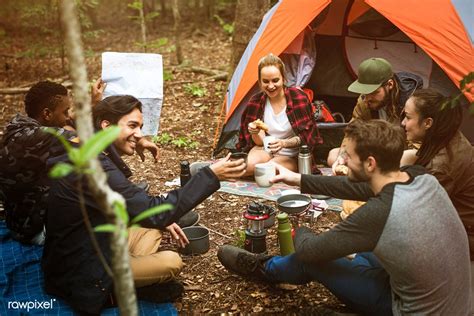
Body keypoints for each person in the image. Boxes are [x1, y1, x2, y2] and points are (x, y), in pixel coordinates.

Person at [218, 119, 471, 315]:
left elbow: (311, 252)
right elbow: (360, 188)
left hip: (412, 309)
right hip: (453, 298)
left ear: (370, 163)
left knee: (312, 259)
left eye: (347, 155)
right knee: (359, 254)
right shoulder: (418, 175)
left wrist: (301, 229)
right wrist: (296, 178)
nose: (342, 160)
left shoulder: (380, 214)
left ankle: (264, 269)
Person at [42, 95, 247, 315]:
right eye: (132, 126)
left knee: (153, 228)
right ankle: (113, 293)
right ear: (106, 126)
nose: (139, 134)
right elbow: (154, 212)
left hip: (87, 245)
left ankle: (131, 276)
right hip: (82, 271)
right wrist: (210, 174)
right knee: (172, 261)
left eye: (140, 127)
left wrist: (134, 140)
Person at [0, 79, 159, 245]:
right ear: (47, 114)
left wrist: (92, 104)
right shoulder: (40, 138)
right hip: (35, 230)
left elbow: (71, 123)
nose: (68, 116)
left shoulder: (22, 127)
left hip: (24, 219)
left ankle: (129, 197)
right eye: (65, 111)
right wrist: (136, 139)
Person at [400, 88, 474, 311]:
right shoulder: (448, 137)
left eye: (408, 117)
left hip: (465, 238)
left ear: (428, 123)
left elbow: (417, 213)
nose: (403, 123)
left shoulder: (443, 168)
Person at [327, 57, 423, 168]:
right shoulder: (364, 101)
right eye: (365, 92)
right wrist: (343, 156)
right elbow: (353, 132)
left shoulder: (411, 102)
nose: (368, 98)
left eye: (373, 92)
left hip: (405, 152)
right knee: (334, 156)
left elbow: (417, 146)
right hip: (378, 151)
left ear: (390, 85)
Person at [236, 53, 321, 176]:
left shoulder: (298, 98)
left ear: (283, 78)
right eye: (265, 81)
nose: (270, 86)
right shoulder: (256, 101)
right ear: (260, 82)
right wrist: (254, 133)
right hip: (265, 149)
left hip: (290, 154)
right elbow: (259, 142)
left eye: (275, 80)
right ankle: (213, 171)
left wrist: (283, 143)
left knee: (266, 170)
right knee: (246, 167)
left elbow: (309, 137)